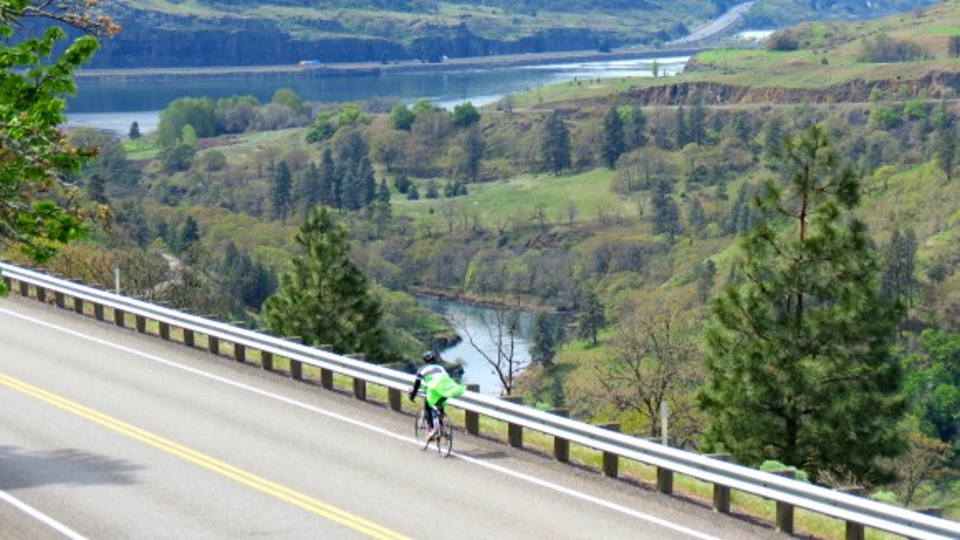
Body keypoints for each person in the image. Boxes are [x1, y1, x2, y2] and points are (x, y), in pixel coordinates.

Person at [408, 350, 465, 440]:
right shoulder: (440, 367)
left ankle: (432, 429)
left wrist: (412, 396)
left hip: (434, 387)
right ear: (434, 360)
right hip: (447, 388)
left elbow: (416, 385)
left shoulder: (421, 369)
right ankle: (442, 427)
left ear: (424, 360)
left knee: (427, 406)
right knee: (439, 404)